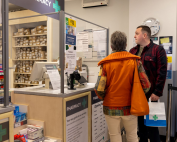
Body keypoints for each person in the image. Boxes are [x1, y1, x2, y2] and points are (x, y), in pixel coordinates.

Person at [94, 31, 151, 142]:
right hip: (131, 106)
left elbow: (99, 88)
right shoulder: (135, 61)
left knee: (114, 135)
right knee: (132, 135)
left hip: (110, 107)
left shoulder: (105, 64)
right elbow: (146, 85)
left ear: (111, 46)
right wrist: (137, 94)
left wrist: (106, 98)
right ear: (125, 45)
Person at [130, 25, 167, 142]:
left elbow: (162, 72)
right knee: (141, 126)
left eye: (136, 33)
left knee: (152, 125)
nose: (134, 36)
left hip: (151, 95)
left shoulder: (158, 50)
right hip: (137, 95)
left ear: (144, 35)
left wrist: (157, 92)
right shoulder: (132, 51)